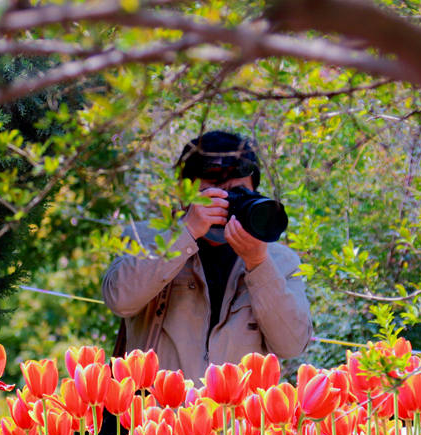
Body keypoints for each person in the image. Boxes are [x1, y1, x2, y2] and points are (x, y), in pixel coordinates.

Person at [102, 130, 312, 383]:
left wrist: (258, 264)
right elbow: (120, 299)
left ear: (256, 191)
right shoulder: (146, 239)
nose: (225, 203)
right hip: (159, 417)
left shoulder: (279, 259)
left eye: (238, 193)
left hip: (236, 419)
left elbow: (292, 345)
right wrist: (186, 233)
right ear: (184, 192)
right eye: (213, 192)